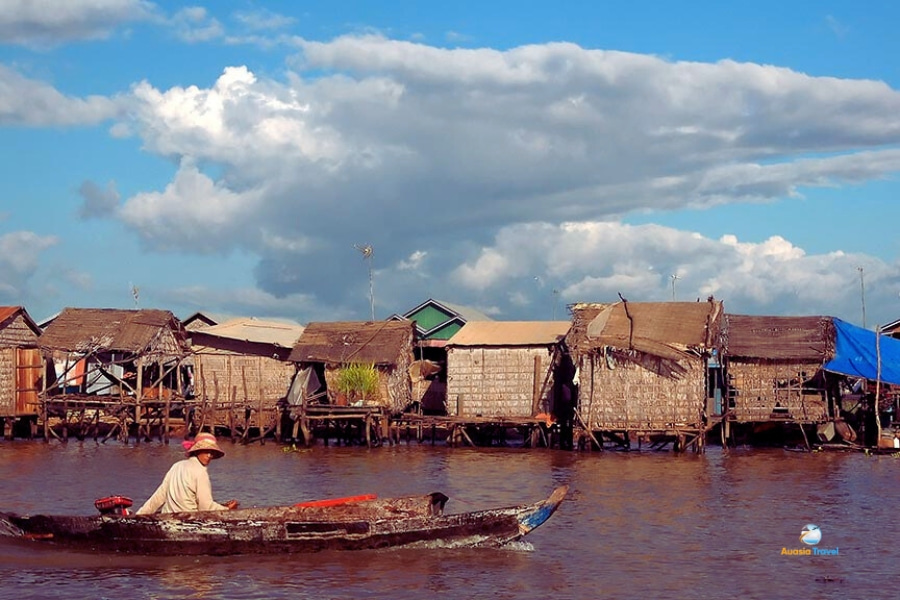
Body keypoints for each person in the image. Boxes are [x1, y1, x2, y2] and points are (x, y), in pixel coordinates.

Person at [136, 432, 239, 514]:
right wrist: (227, 510)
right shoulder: (200, 472)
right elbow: (205, 507)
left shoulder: (176, 466)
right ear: (197, 451)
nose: (209, 455)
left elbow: (159, 497)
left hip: (168, 520)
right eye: (206, 451)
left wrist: (140, 514)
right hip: (189, 522)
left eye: (212, 452)